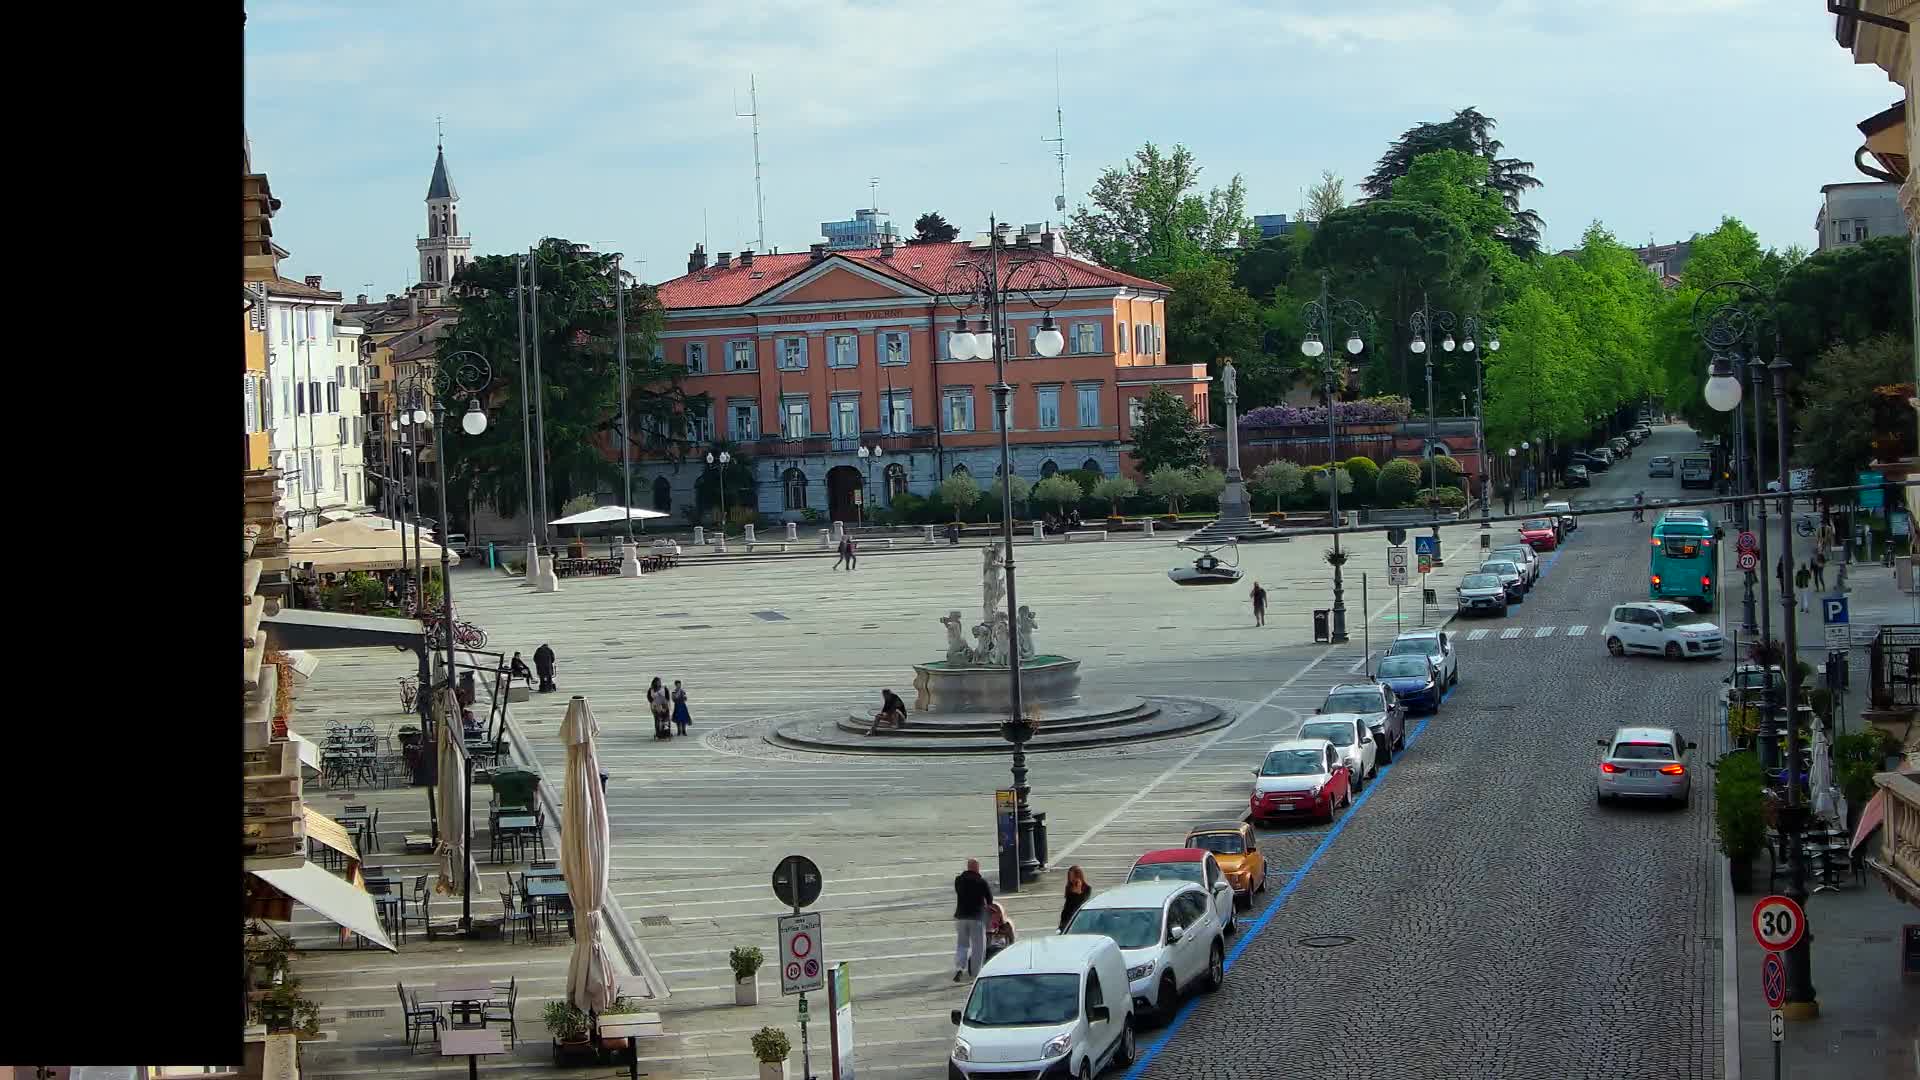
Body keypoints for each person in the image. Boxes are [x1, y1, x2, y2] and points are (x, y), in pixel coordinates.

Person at [953, 858, 993, 982]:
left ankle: (960, 968)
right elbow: (990, 899)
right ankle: (976, 973)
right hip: (976, 918)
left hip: (961, 917)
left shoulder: (958, 880)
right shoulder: (981, 882)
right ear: (977, 868)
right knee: (978, 947)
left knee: (962, 944)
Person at [1058, 865, 1092, 932]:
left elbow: (1082, 902)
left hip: (1078, 916)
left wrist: (1078, 890)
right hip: (1067, 915)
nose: (1071, 878)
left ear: (1078, 876)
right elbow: (1067, 903)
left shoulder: (1087, 888)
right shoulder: (1068, 887)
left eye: (1073, 876)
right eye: (1070, 876)